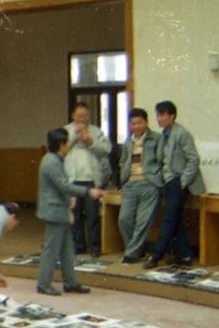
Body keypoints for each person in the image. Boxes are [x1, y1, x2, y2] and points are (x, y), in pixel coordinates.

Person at [35, 127, 103, 295]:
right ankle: (43, 284)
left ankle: (71, 282)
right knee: (51, 250)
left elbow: (61, 186)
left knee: (67, 249)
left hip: (60, 210)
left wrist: (69, 198)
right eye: (67, 142)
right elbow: (63, 185)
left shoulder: (55, 158)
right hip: (54, 211)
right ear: (61, 144)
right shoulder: (51, 162)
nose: (69, 146)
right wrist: (88, 192)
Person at [145, 100, 204, 269]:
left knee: (169, 219)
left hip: (179, 182)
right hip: (168, 181)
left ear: (172, 116)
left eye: (163, 115)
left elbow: (194, 159)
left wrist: (184, 181)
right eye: (158, 115)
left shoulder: (181, 133)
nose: (160, 118)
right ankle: (185, 255)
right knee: (175, 219)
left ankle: (156, 255)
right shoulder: (164, 134)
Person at [63, 103, 112, 257]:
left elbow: (106, 150)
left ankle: (95, 247)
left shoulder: (96, 131)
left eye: (85, 116)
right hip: (72, 179)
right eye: (79, 116)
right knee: (74, 215)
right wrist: (74, 136)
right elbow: (60, 151)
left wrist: (91, 142)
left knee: (92, 215)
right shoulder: (66, 130)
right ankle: (78, 245)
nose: (82, 119)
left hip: (91, 179)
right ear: (73, 116)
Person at [117, 108, 163, 263]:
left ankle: (131, 253)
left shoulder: (156, 139)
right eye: (133, 123)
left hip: (149, 184)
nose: (136, 126)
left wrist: (157, 177)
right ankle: (136, 248)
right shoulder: (128, 142)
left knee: (143, 221)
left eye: (139, 123)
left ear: (146, 122)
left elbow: (162, 160)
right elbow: (123, 161)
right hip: (130, 184)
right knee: (124, 219)